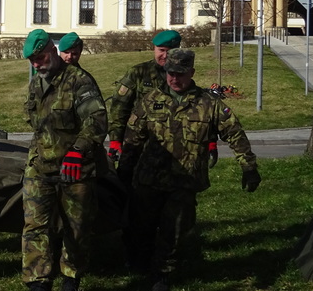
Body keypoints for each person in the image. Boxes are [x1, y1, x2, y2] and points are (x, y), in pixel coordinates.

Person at [118, 48, 261, 291]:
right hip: (149, 179)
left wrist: (248, 166)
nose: (175, 79)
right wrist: (124, 169)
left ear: (192, 73)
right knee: (141, 225)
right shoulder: (150, 100)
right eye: (170, 73)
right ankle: (138, 262)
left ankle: (162, 273)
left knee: (174, 229)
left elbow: (234, 133)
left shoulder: (208, 104)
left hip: (184, 182)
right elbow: (133, 138)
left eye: (180, 74)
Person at [20, 29, 108, 291]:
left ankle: (71, 277)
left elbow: (97, 121)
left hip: (75, 167)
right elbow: (34, 120)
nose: (37, 65)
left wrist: (77, 151)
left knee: (76, 228)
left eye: (40, 58)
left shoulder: (79, 81)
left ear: (52, 50)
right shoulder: (37, 82)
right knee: (35, 225)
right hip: (40, 166)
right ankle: (38, 281)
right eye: (32, 61)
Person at [107, 29, 181, 163]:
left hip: (173, 143)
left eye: (169, 52)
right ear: (154, 49)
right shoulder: (139, 73)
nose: (165, 56)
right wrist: (115, 139)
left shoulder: (182, 75)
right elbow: (119, 107)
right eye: (161, 50)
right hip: (139, 141)